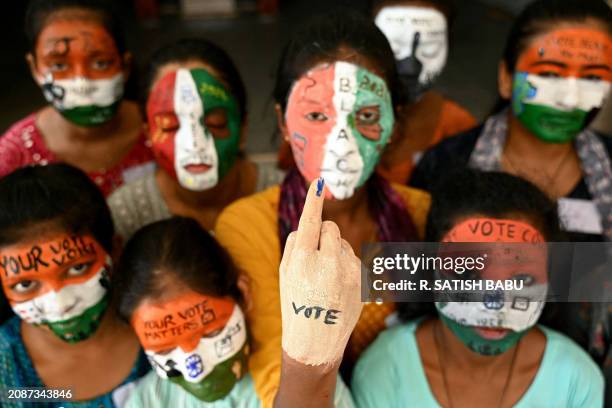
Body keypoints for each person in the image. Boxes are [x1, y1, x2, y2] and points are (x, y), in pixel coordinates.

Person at [215, 10, 430, 407]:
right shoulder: (249, 226)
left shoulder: (420, 214)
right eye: (316, 116)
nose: (340, 144)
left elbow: (519, 285)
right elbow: (273, 380)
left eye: (365, 116)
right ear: (282, 121)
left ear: (394, 123)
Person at [352, 169, 604, 407]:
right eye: (467, 274)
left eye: (522, 281)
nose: (493, 303)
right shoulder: (386, 368)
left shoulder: (575, 379)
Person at [115, 182, 358, 407]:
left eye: (212, 332)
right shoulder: (148, 401)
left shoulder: (317, 388)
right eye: (165, 350)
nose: (195, 370)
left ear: (243, 293)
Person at [411, 0, 612, 243]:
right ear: (506, 77)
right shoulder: (444, 165)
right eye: (549, 74)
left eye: (592, 77)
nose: (570, 99)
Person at [0, 164, 149, 407]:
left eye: (77, 268)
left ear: (115, 250)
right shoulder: (9, 376)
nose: (61, 305)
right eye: (26, 284)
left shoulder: (163, 328)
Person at [107, 38, 283, 239]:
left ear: (243, 128)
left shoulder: (288, 199)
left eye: (215, 123)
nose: (194, 144)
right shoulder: (126, 213)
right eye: (170, 126)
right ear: (148, 134)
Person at [0, 0, 154, 196]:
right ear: (34, 68)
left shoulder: (166, 130)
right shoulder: (14, 156)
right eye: (59, 66)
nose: (82, 84)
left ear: (125, 66)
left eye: (100, 63)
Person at [372, 0, 477, 184]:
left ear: (448, 45)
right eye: (394, 47)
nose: (410, 68)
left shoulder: (458, 128)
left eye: (429, 49)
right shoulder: (328, 115)